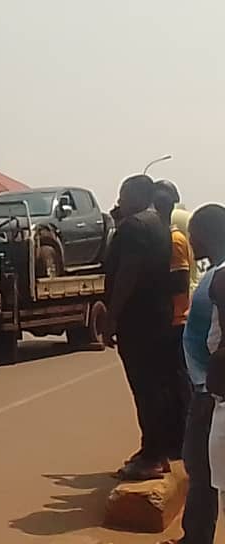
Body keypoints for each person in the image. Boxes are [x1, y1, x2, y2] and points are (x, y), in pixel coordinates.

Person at [103, 175, 174, 481]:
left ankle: (153, 456)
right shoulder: (159, 224)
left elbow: (128, 274)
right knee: (155, 387)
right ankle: (154, 449)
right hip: (157, 317)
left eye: (122, 194)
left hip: (137, 320)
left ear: (134, 194)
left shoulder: (134, 227)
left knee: (144, 388)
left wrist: (112, 316)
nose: (119, 201)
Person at [164, 204, 225, 544]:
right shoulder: (215, 272)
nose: (190, 241)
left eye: (193, 235)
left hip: (212, 393)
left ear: (204, 234)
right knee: (201, 469)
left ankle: (196, 538)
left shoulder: (221, 275)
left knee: (202, 470)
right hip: (205, 388)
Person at [153, 181, 193, 458]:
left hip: (177, 319)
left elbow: (178, 282)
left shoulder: (174, 239)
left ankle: (180, 442)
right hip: (171, 319)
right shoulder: (164, 237)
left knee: (177, 385)